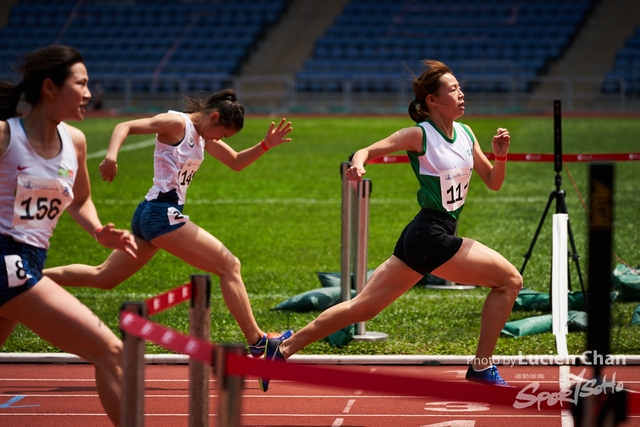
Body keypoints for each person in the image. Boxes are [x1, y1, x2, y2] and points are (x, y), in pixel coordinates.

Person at [258, 59, 523, 391]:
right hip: (431, 235)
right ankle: (482, 368)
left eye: (460, 87)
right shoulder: (420, 135)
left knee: (362, 308)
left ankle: (281, 348)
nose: (462, 93)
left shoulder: (467, 134)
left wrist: (501, 156)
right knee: (510, 280)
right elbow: (367, 150)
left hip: (422, 236)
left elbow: (493, 182)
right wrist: (357, 165)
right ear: (433, 100)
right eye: (453, 89)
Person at [44, 88, 294, 357]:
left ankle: (31, 281)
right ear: (214, 117)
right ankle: (258, 343)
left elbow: (235, 162)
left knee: (103, 277)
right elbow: (124, 126)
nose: (219, 140)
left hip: (149, 214)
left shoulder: (202, 135)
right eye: (221, 134)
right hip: (161, 215)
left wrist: (265, 145)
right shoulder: (177, 124)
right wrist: (111, 156)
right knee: (229, 265)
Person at [0, 44, 138, 425]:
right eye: (81, 84)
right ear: (49, 87)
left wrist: (98, 232)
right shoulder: (6, 137)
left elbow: (79, 200)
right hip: (7, 262)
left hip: (31, 262)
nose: (90, 93)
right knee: (110, 350)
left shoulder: (75, 142)